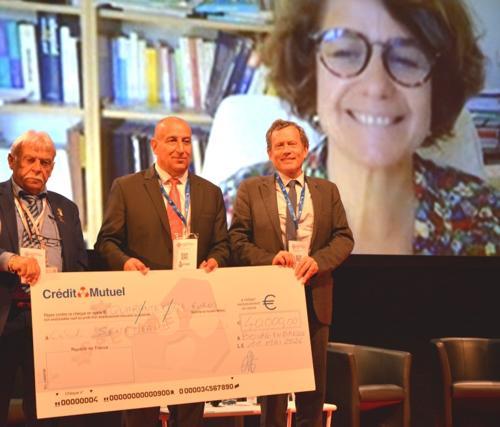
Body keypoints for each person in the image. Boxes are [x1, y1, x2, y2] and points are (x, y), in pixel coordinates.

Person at [222, 0, 499, 256]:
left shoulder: (486, 221)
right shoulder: (235, 213)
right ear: (309, 72)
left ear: (437, 87)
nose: (376, 86)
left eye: (406, 59)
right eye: (346, 53)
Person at [94, 116, 230, 427]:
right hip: (145, 314)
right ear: (154, 146)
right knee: (142, 412)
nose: (181, 148)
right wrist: (125, 262)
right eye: (172, 141)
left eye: (186, 141)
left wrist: (215, 260)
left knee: (190, 411)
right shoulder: (127, 187)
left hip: (194, 316)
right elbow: (107, 242)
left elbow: (222, 244)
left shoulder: (210, 192)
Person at [229, 119, 354, 427]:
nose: (286, 150)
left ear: (305, 150)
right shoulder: (250, 189)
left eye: (292, 144)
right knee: (273, 391)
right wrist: (270, 258)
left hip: (315, 296)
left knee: (312, 390)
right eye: (279, 145)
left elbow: (343, 238)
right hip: (270, 302)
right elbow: (237, 240)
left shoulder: (326, 191)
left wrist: (319, 261)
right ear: (270, 154)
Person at [0, 131, 88, 425]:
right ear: (12, 161)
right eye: (30, 160)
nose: (38, 168)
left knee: (46, 411)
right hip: (7, 317)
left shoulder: (67, 209)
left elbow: (79, 264)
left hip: (52, 322)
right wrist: (10, 260)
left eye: (46, 162)